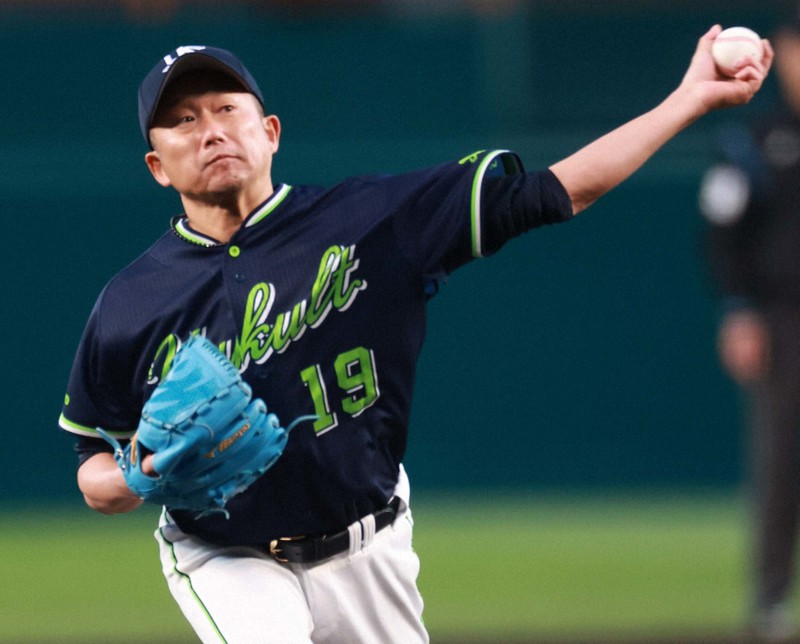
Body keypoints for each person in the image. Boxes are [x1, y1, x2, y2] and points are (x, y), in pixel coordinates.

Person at [59, 27, 770, 644]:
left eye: (225, 109)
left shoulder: (371, 221)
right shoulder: (130, 304)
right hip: (226, 555)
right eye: (182, 121)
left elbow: (557, 191)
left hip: (369, 543)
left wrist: (688, 101)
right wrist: (131, 477)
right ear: (157, 166)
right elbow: (93, 457)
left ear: (269, 131)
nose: (210, 130)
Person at [699, 14, 800, 641]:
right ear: (783, 54)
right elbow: (722, 233)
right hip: (783, 319)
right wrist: (737, 309)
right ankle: (770, 601)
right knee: (780, 460)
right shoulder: (755, 140)